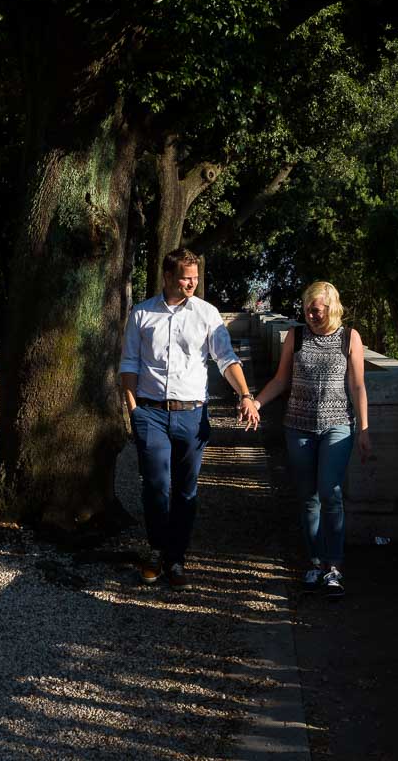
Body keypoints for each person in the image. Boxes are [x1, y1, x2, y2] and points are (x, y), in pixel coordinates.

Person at [120, 247, 260, 591]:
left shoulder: (207, 314)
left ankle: (175, 557)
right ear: (168, 276)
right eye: (186, 278)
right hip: (150, 413)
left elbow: (225, 358)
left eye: (195, 278)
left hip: (192, 414)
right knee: (155, 486)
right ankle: (157, 550)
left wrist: (245, 395)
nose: (191, 284)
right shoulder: (141, 315)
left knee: (186, 490)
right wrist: (133, 410)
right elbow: (129, 365)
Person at [253, 281, 370, 595]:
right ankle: (315, 563)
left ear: (331, 308)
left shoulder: (349, 338)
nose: (311, 315)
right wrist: (256, 402)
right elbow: (281, 380)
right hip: (298, 426)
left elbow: (358, 386)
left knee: (330, 492)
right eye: (306, 309)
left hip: (337, 426)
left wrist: (364, 429)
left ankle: (334, 567)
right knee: (308, 498)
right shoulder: (297, 336)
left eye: (316, 310)